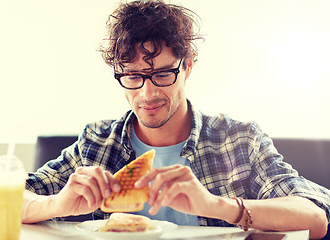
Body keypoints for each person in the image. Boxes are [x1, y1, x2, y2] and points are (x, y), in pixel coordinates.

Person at [22, 0, 330, 238]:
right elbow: (13, 198)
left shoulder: (239, 140)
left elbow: (314, 218)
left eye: (162, 74)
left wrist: (216, 206)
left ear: (188, 65)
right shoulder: (97, 142)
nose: (147, 93)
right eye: (132, 76)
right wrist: (56, 204)